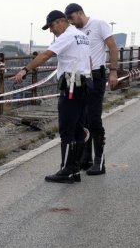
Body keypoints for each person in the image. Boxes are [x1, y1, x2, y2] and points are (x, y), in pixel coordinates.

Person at [13, 10, 92, 183]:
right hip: (84, 84)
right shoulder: (81, 36)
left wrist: (25, 70)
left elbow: (46, 55)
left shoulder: (67, 36)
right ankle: (75, 170)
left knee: (67, 129)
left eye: (51, 26)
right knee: (78, 129)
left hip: (72, 85)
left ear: (61, 21)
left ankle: (67, 170)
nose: (51, 30)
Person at [65, 3, 118, 176]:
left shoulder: (98, 24)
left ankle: (99, 162)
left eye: (72, 19)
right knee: (83, 119)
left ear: (80, 13)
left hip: (97, 76)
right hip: (83, 78)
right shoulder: (75, 31)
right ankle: (85, 159)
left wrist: (113, 72)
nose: (72, 23)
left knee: (94, 119)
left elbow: (112, 47)